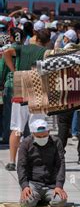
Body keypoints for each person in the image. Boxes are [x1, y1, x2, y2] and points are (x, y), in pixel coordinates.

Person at [3, 28, 48, 172]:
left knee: (17, 128)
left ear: (35, 37)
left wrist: (14, 71)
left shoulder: (23, 48)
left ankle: (11, 161)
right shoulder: (46, 52)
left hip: (21, 86)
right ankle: (36, 161)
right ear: (47, 41)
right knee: (37, 126)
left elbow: (5, 53)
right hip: (38, 89)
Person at [57, 27, 80, 164]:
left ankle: (59, 155)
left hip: (69, 89)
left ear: (79, 35)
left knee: (63, 123)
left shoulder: (68, 50)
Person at [17, 119, 68, 207]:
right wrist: (25, 186)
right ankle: (38, 198)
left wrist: (59, 186)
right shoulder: (26, 143)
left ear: (49, 132)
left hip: (51, 184)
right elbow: (21, 165)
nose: (42, 138)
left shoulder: (56, 142)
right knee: (27, 203)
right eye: (39, 136)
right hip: (33, 183)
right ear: (33, 134)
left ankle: (43, 198)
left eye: (45, 135)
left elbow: (60, 164)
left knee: (61, 201)